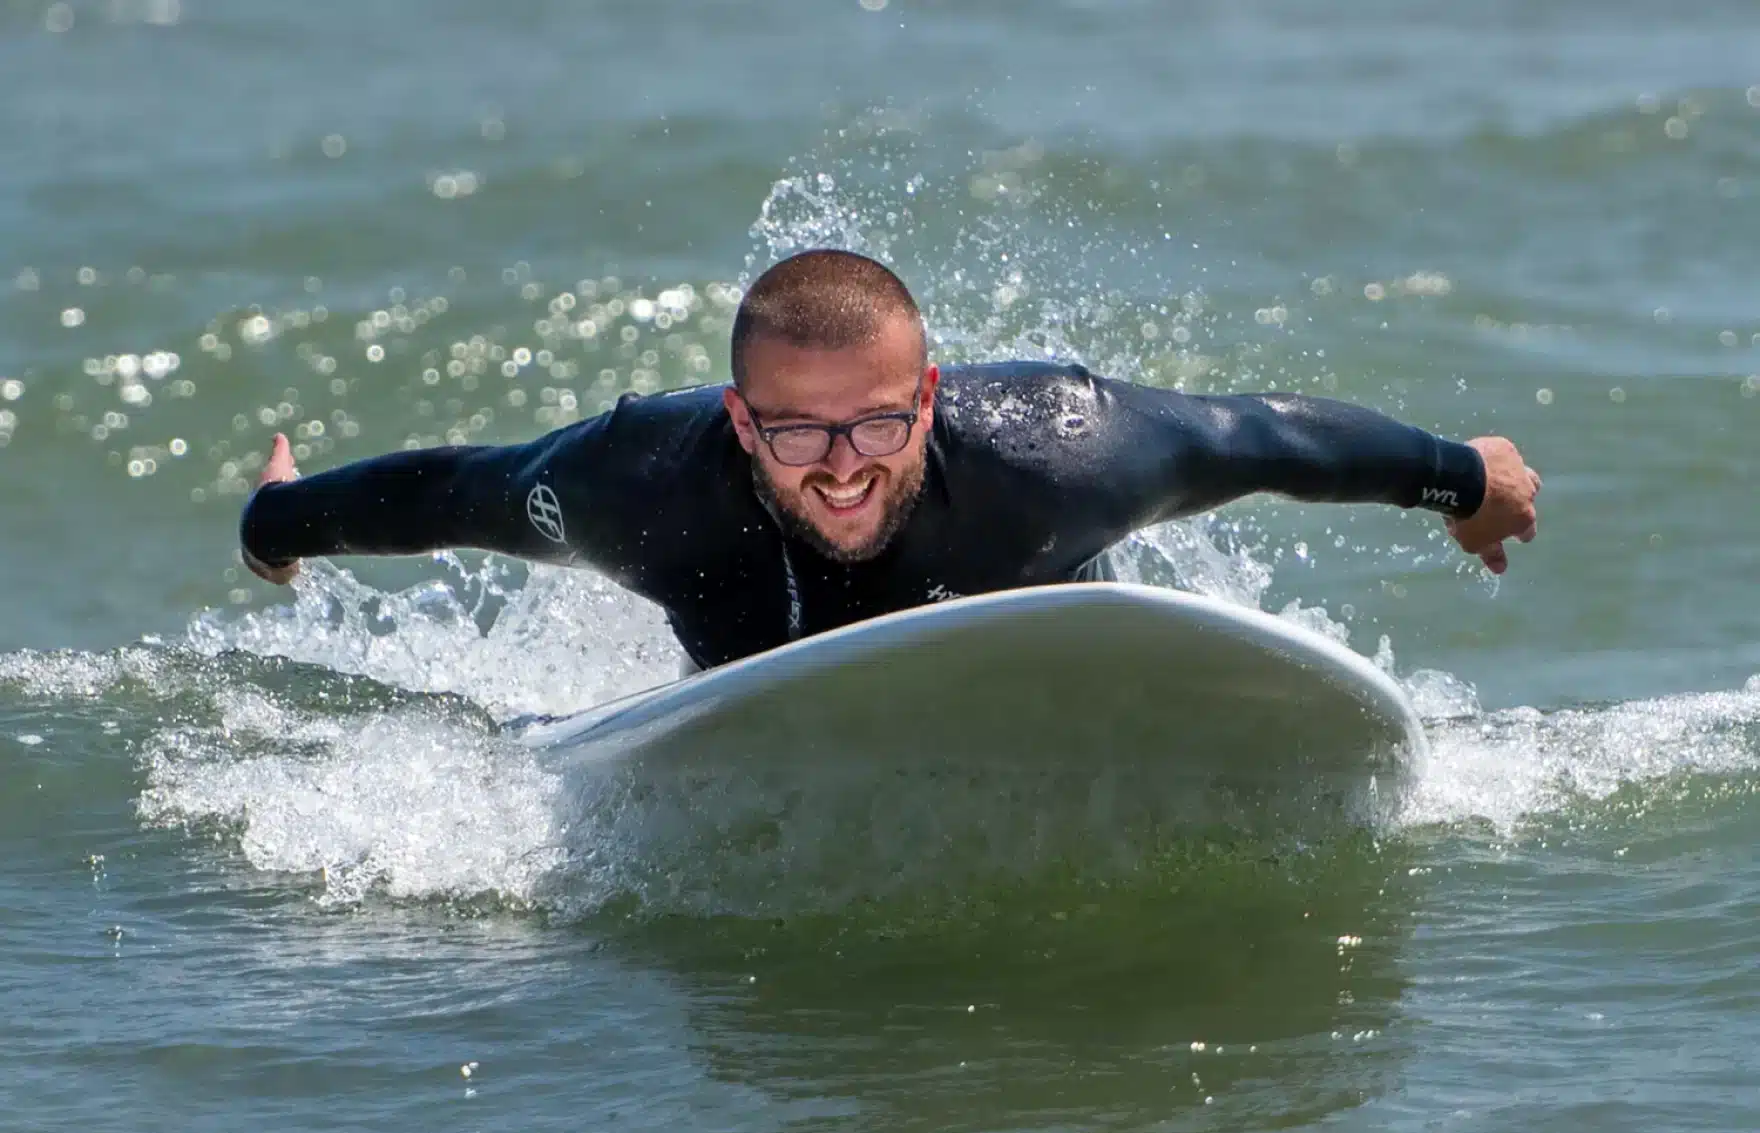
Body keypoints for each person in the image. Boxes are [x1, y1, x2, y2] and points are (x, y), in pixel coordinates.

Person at [240, 248, 1540, 672]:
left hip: (1042, 629)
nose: (842, 465)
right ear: (743, 422)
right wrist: (282, 518)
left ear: (929, 398)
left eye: (875, 423)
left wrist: (1459, 480)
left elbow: (1255, 437)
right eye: (795, 431)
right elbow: (460, 491)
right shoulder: (637, 484)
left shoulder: (1059, 452)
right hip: (760, 681)